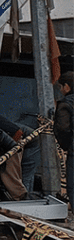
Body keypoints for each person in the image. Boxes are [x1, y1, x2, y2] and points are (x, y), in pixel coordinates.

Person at [54, 71, 74, 217]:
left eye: (61, 87)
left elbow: (62, 129)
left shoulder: (66, 105)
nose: (61, 90)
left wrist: (67, 146)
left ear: (67, 86)